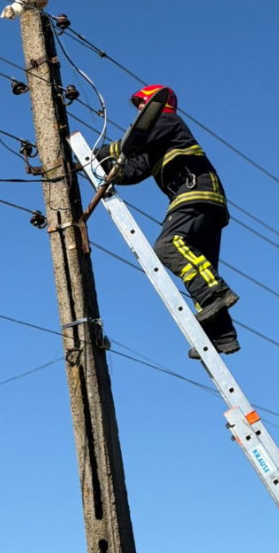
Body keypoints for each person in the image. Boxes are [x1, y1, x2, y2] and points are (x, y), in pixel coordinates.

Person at [97, 84, 240, 357]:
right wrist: (105, 169)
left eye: (142, 103)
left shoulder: (166, 119)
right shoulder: (156, 141)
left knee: (168, 245)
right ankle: (222, 336)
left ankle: (216, 294)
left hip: (195, 191)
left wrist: (104, 151)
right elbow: (133, 170)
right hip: (204, 198)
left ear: (154, 103)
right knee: (202, 264)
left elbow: (132, 142)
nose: (139, 109)